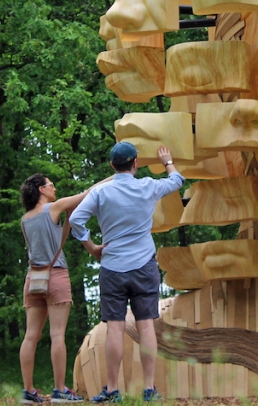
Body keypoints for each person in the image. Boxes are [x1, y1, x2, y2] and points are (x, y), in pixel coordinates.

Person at [69, 142, 184, 403]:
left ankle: (112, 390)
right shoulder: (147, 187)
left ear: (112, 165)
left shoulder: (100, 192)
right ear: (135, 164)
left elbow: (75, 219)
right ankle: (149, 389)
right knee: (146, 327)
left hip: (112, 267)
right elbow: (177, 180)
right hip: (144, 266)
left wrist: (93, 247)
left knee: (115, 329)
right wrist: (167, 161)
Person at [19, 174, 103, 405]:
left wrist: (66, 222)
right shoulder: (53, 208)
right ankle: (59, 390)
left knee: (30, 336)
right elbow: (87, 194)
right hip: (55, 274)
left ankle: (28, 391)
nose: (54, 188)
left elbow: (58, 243)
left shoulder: (25, 219)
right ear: (41, 190)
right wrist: (111, 179)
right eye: (50, 185)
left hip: (33, 279)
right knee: (57, 335)